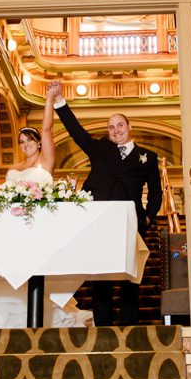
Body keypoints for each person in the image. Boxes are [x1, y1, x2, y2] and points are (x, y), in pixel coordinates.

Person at [0, 91, 92, 329]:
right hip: (10, 228)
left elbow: (47, 129)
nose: (25, 145)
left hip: (36, 226)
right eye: (21, 142)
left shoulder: (46, 160)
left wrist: (49, 99)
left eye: (29, 140)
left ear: (38, 142)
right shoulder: (15, 166)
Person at [48, 80, 162, 326]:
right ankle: (103, 327)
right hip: (100, 222)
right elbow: (76, 131)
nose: (115, 130)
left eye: (120, 125)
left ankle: (130, 328)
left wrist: (149, 217)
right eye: (111, 127)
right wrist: (59, 102)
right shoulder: (100, 149)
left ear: (129, 127)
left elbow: (156, 192)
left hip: (131, 223)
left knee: (130, 277)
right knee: (101, 278)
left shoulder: (148, 157)